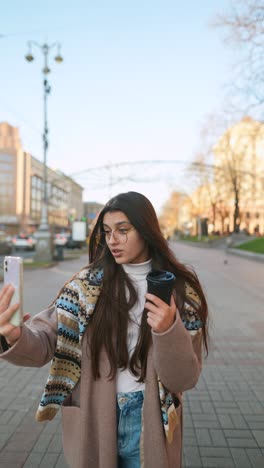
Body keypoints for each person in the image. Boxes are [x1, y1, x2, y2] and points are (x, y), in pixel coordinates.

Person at [0, 191, 208, 468]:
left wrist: (168, 330)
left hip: (149, 418)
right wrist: (15, 336)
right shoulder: (85, 285)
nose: (113, 240)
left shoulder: (181, 292)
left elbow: (183, 379)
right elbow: (45, 340)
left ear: (147, 231)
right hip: (94, 416)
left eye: (123, 230)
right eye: (107, 231)